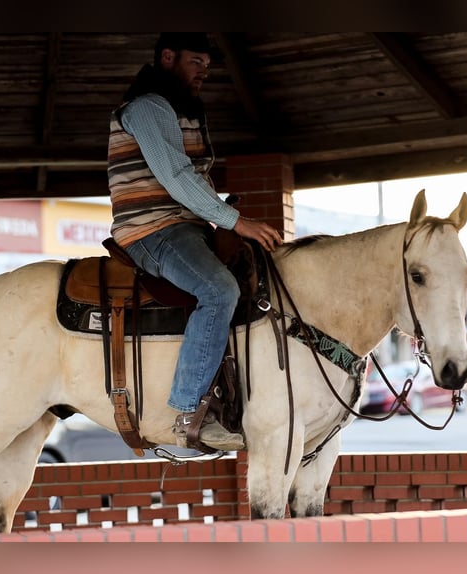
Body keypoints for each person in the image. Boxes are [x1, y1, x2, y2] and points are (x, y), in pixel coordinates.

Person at [107, 33, 282, 451]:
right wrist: (235, 221)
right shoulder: (147, 107)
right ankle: (187, 414)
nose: (203, 71)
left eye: (207, 64)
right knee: (219, 289)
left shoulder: (181, 110)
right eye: (194, 62)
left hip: (185, 227)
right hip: (152, 230)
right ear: (167, 58)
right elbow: (176, 177)